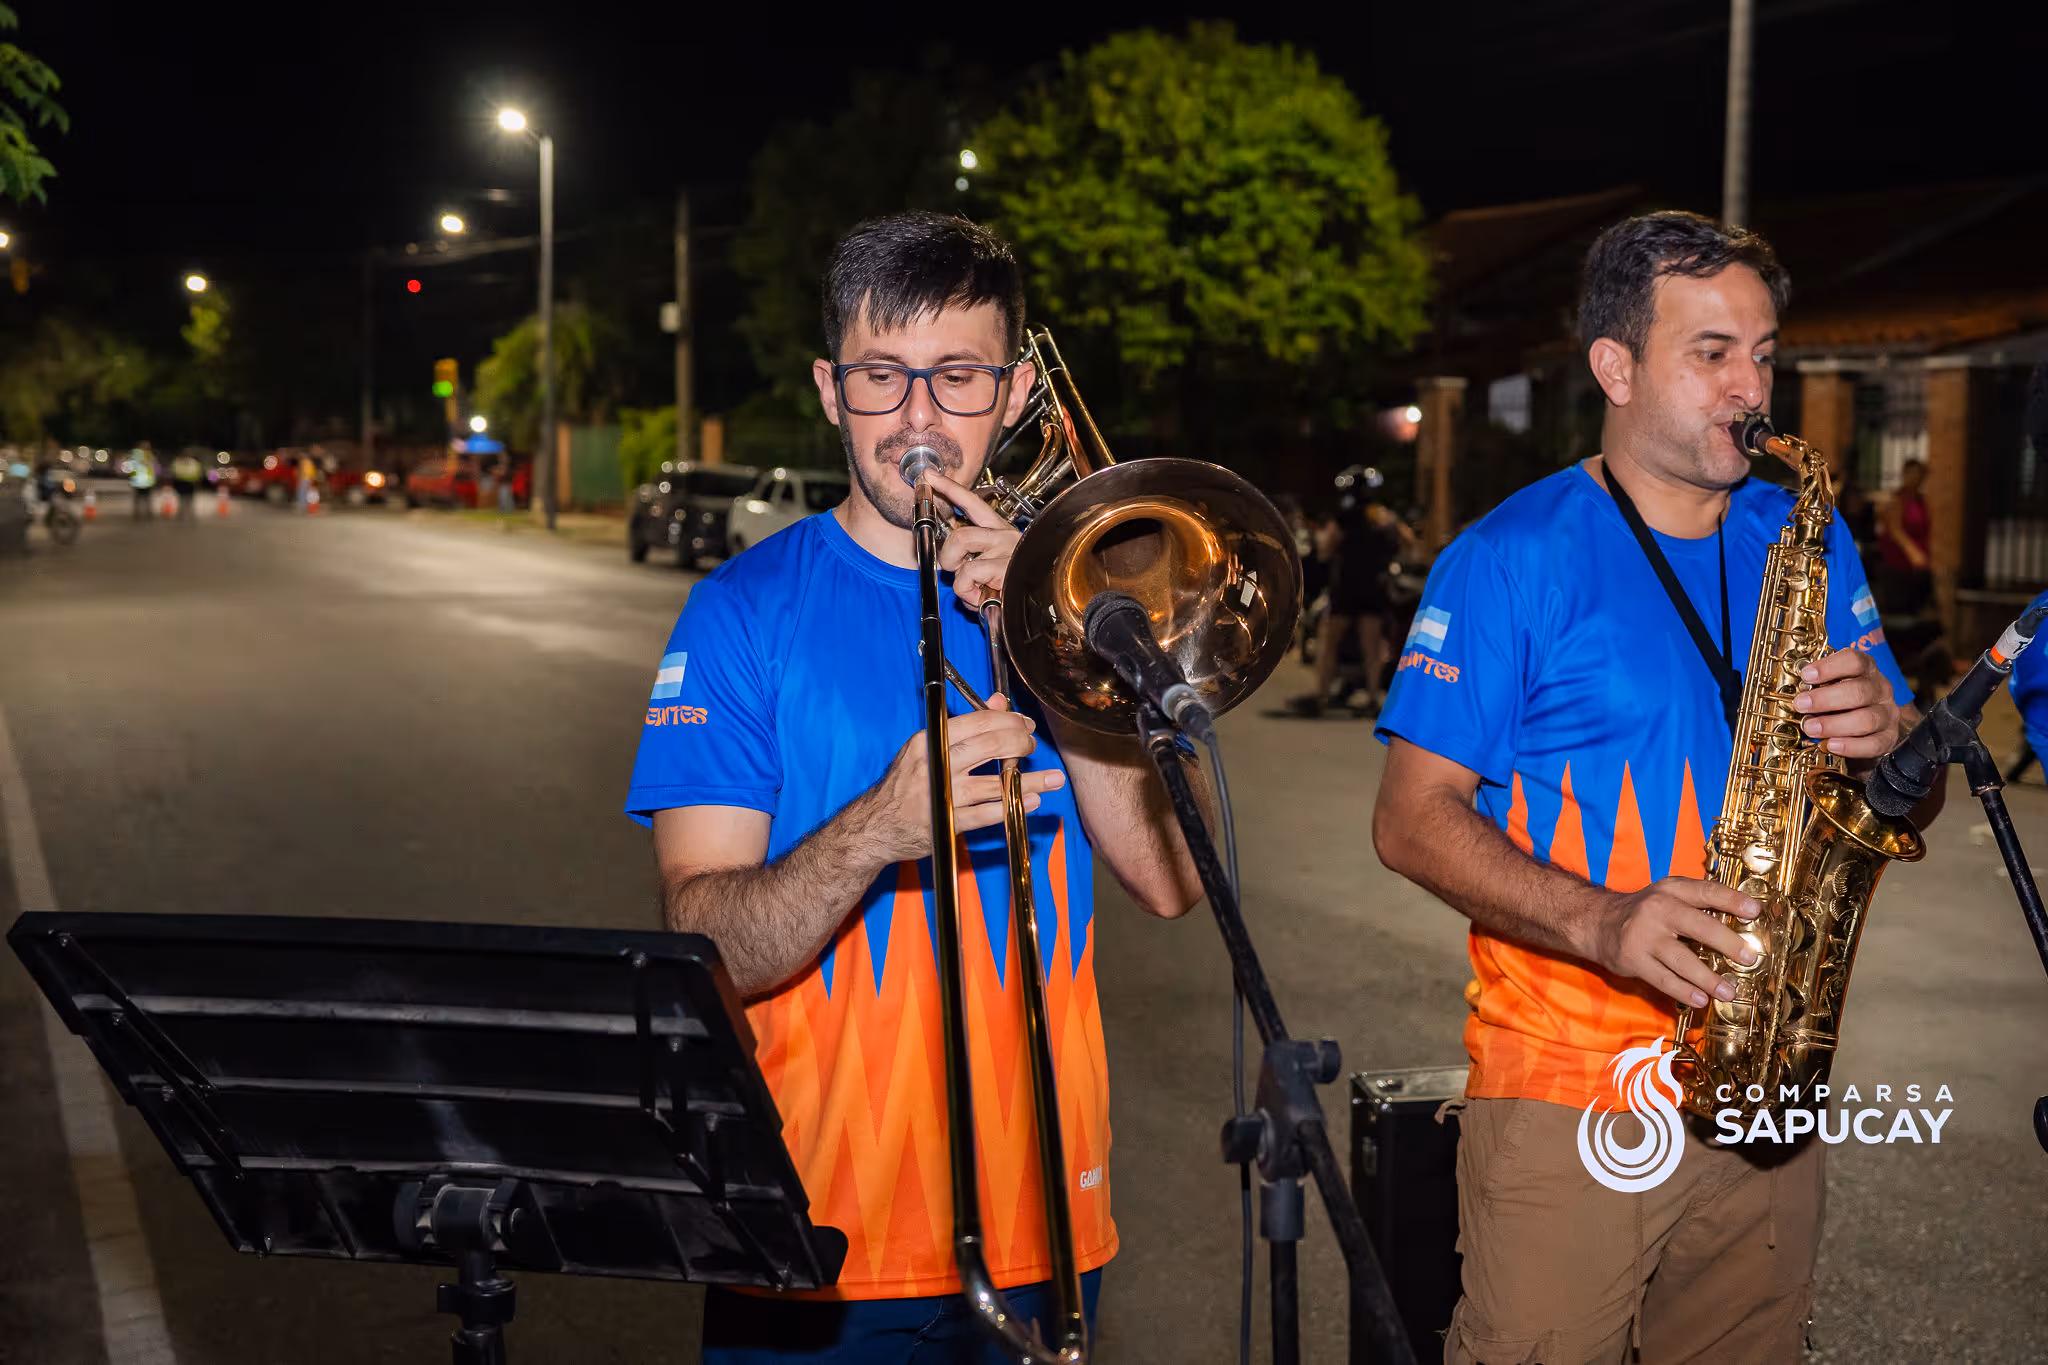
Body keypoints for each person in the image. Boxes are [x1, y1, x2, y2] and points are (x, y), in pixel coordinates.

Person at [625, 211, 1207, 1364]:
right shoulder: (739, 612)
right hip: (815, 1232)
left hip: (1045, 1220)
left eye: (957, 375)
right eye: (881, 376)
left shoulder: (1086, 608)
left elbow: (1170, 881)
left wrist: (1054, 651)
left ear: (1015, 389)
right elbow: (707, 943)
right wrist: (876, 830)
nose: (919, 417)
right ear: (830, 391)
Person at [1371, 212, 1945, 1365]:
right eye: (1711, 352)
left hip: (1770, 1080)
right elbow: (1407, 819)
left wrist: (1891, 738)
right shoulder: (1507, 558)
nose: (1750, 388)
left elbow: (1905, 795)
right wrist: (1602, 920)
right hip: (1568, 1093)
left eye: (1763, 354)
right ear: (1614, 366)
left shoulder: (1806, 539)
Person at [1293, 465, 1406, 717]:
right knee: (1372, 646)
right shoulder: (1384, 517)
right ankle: (1373, 698)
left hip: (1345, 589)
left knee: (1329, 642)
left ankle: (1321, 695)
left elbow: (1324, 551)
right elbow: (1405, 542)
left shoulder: (1344, 518)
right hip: (1374, 589)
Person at [1876, 456, 1933, 615]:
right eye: (1912, 474)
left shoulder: (1921, 501)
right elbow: (1895, 530)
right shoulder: (1898, 500)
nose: (1916, 479)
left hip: (1916, 569)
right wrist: (1914, 553)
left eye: (1919, 475)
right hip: (1898, 566)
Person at [170, 450, 203, 519]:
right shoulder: (193, 462)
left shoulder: (178, 462)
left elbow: (174, 472)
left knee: (184, 499)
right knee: (187, 499)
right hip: (187, 482)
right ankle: (188, 514)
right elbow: (198, 473)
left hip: (183, 482)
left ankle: (184, 514)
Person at [128, 446, 158, 520]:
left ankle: (145, 514)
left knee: (145, 500)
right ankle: (139, 514)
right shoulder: (139, 456)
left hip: (145, 482)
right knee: (141, 500)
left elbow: (153, 469)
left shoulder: (149, 456)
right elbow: (132, 469)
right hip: (140, 482)